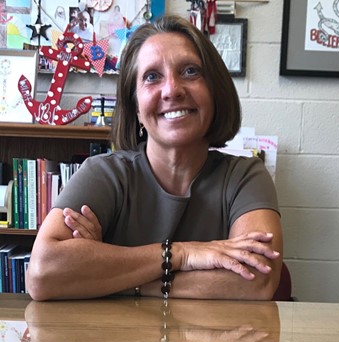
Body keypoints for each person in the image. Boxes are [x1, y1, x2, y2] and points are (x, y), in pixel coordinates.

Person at [26, 15, 283, 301]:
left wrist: (110, 280)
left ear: (214, 92)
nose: (172, 90)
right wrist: (181, 255)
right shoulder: (104, 174)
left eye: (190, 71)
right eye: (151, 77)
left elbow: (256, 281)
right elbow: (42, 273)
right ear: (135, 106)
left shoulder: (246, 176)